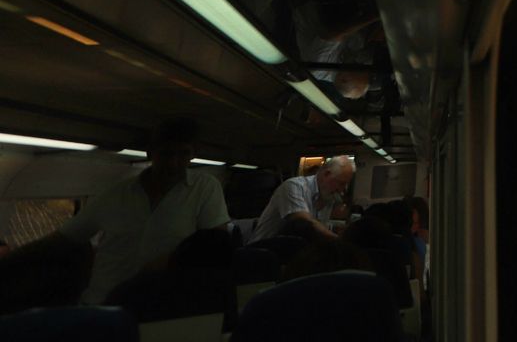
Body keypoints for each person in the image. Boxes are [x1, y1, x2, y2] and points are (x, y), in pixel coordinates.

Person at [56, 117, 230, 303]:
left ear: (194, 154)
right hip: (105, 300)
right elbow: (69, 235)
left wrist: (166, 263)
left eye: (183, 154)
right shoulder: (117, 193)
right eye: (166, 154)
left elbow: (214, 245)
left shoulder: (204, 188)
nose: (173, 163)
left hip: (162, 302)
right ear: (150, 153)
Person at [249, 156, 355, 243]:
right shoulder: (294, 186)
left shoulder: (328, 197)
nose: (342, 190)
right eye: (341, 183)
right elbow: (306, 223)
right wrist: (341, 242)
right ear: (327, 174)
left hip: (288, 250)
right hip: (260, 252)